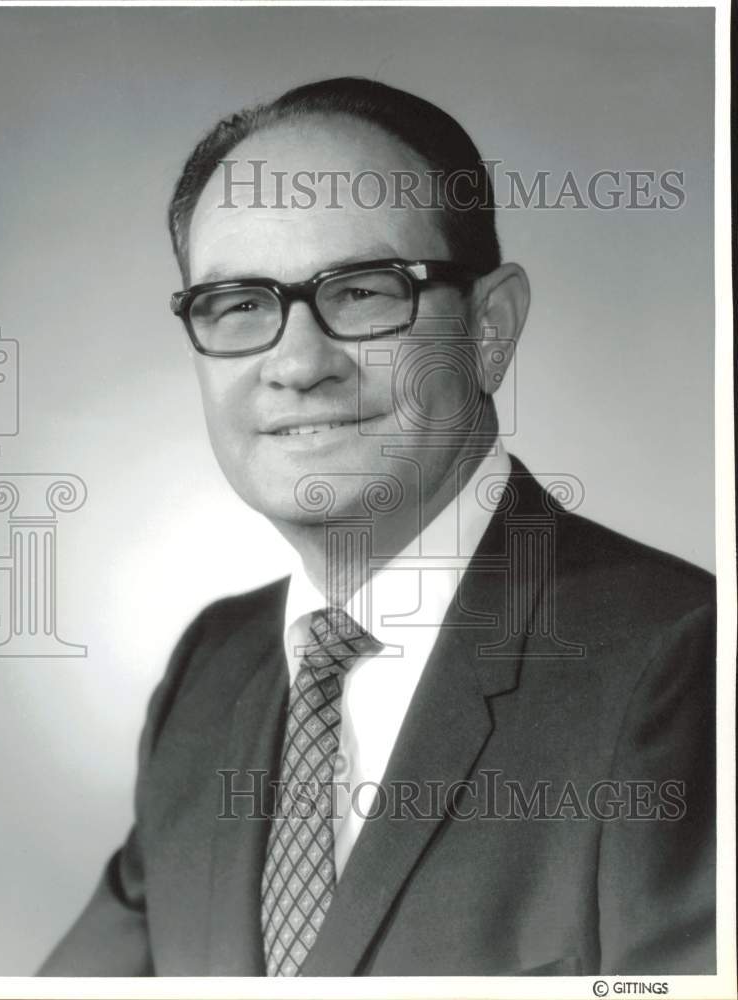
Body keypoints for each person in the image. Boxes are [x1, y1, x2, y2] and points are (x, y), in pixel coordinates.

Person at [39, 77, 715, 977]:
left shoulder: (682, 662)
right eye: (239, 304)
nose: (296, 364)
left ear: (490, 328)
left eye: (361, 293)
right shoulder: (212, 669)